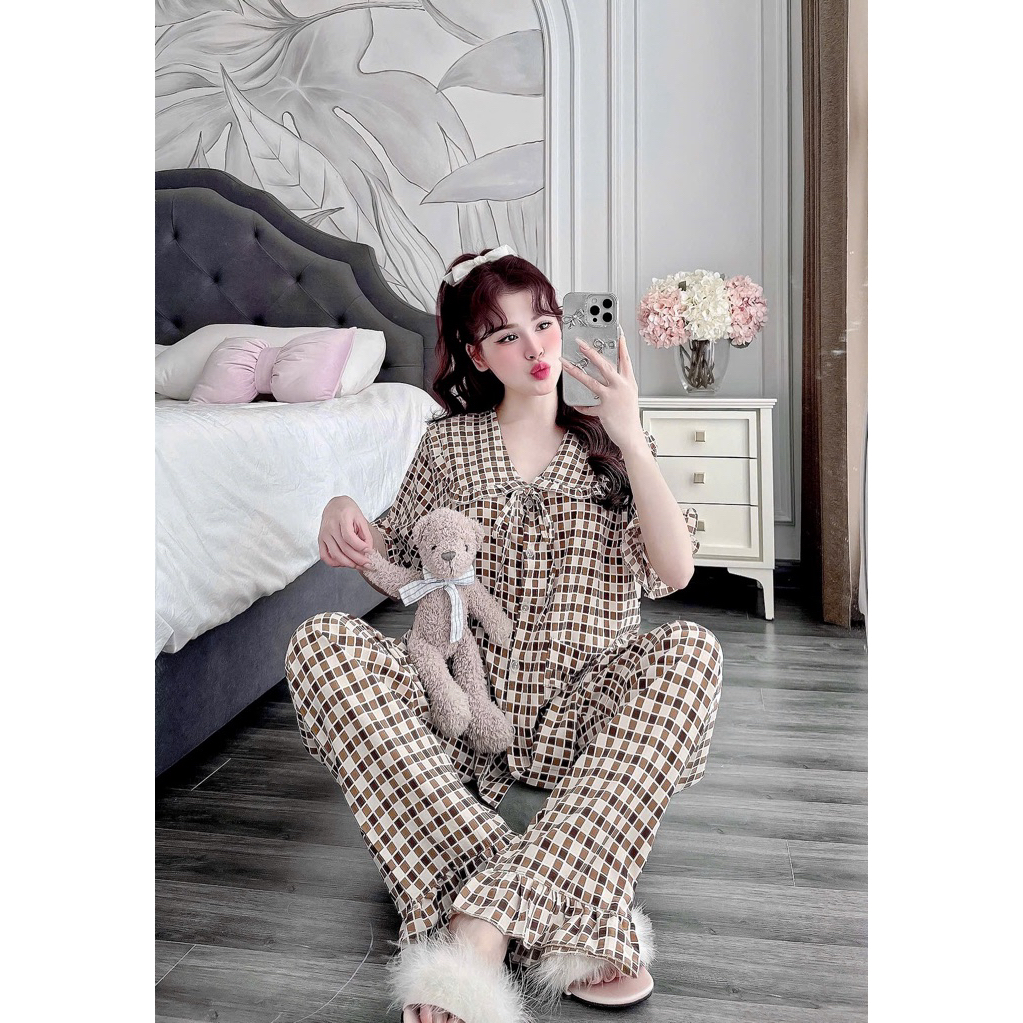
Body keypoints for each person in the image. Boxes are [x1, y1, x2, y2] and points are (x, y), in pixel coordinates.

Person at [286, 246, 724, 1023]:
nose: (535, 348)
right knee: (321, 641)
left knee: (692, 649)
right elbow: (391, 550)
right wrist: (339, 509)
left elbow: (675, 570)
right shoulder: (447, 444)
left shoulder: (611, 444)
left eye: (544, 324)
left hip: (584, 717)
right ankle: (560, 905)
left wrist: (631, 437)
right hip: (461, 712)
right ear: (478, 355)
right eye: (506, 335)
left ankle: (475, 928)